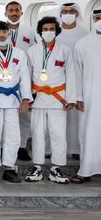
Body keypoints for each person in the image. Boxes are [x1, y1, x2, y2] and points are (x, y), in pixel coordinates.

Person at [0, 21, 32, 184]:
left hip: (13, 100)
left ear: (8, 34)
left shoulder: (19, 54)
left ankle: (9, 168)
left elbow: (25, 77)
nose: (1, 35)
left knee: (13, 136)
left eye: (4, 31)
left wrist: (26, 98)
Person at [24, 16, 74, 184]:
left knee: (59, 134)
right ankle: (37, 166)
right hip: (38, 98)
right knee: (37, 133)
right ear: (40, 31)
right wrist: (27, 97)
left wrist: (72, 98)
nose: (48, 32)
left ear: (57, 31)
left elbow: (72, 76)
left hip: (59, 99)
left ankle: (56, 168)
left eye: (51, 29)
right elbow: (26, 77)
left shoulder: (65, 50)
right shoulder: (32, 51)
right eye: (45, 29)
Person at [68, 8, 101, 184]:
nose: (99, 20)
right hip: (90, 97)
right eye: (97, 17)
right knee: (89, 132)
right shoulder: (83, 43)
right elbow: (77, 73)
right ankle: (86, 169)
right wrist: (78, 97)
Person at [56, 2, 88, 160]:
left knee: (76, 116)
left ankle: (76, 147)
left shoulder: (85, 33)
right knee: (57, 113)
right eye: (65, 11)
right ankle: (52, 148)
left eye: (72, 11)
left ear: (77, 13)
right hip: (57, 79)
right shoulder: (54, 32)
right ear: (60, 14)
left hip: (79, 79)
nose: (68, 14)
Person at [6, 1, 37, 162]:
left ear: (22, 13)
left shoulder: (29, 31)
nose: (14, 13)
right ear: (5, 13)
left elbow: (34, 55)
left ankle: (22, 147)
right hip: (1, 80)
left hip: (23, 78)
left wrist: (33, 82)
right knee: (3, 115)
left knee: (24, 116)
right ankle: (3, 146)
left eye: (17, 10)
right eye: (11, 10)